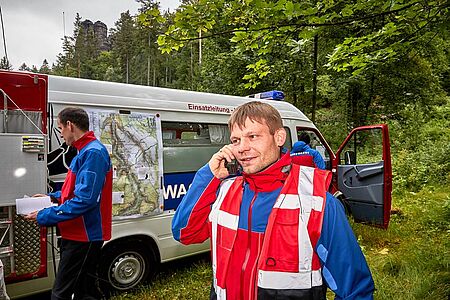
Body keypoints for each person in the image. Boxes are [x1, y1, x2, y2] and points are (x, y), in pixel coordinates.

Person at [172, 101, 374, 299]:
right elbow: (184, 233)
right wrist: (207, 175)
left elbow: (355, 290)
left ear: (279, 137)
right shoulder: (224, 191)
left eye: (252, 136)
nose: (241, 148)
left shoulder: (317, 201)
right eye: (235, 140)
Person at [26, 107, 112, 300]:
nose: (61, 134)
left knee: (61, 293)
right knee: (85, 290)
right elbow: (76, 190)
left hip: (84, 234)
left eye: (60, 128)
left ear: (70, 125)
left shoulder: (93, 153)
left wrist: (44, 215)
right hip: (76, 232)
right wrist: (52, 198)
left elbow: (85, 200)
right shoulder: (84, 151)